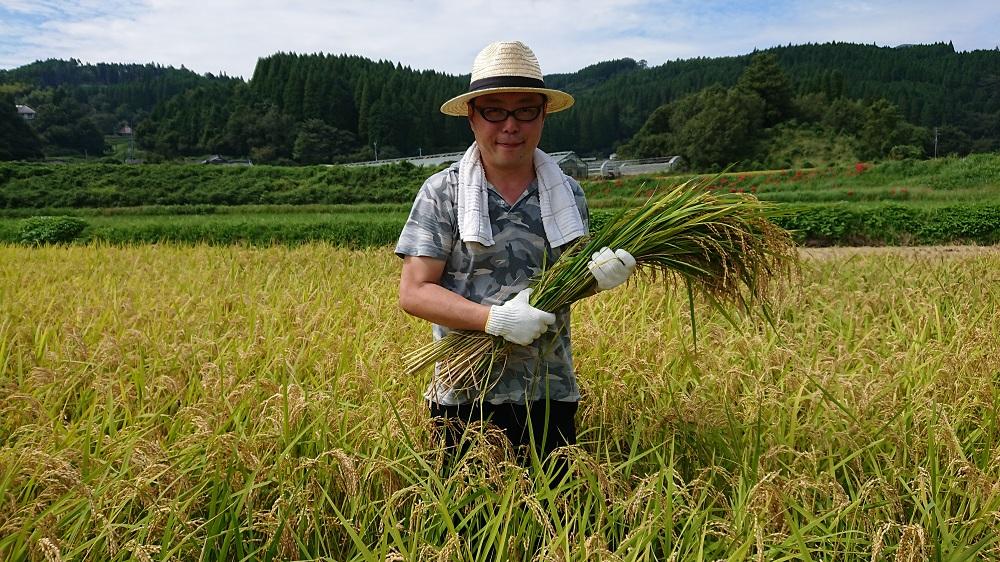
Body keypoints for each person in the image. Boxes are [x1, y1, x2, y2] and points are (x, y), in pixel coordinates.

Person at [395, 41, 636, 469]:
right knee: (464, 524)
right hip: (464, 393)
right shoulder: (443, 193)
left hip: (550, 388)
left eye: (525, 110)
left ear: (543, 115)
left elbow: (568, 282)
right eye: (494, 111)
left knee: (555, 521)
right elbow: (415, 292)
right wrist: (494, 320)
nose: (510, 125)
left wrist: (602, 277)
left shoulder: (566, 191)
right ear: (473, 117)